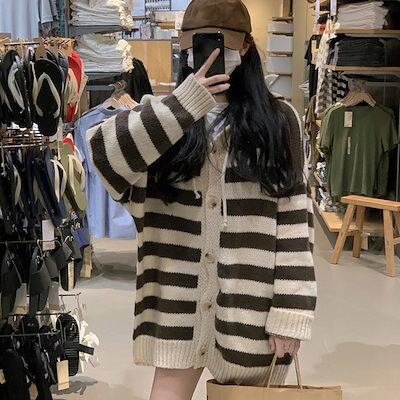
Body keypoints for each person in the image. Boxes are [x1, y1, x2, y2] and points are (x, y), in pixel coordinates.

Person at [87, 0, 317, 399]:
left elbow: (295, 219)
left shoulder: (279, 122)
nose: (209, 52)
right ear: (183, 46)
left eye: (221, 42)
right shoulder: (160, 118)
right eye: (197, 43)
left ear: (246, 45)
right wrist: (183, 106)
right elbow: (102, 154)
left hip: (252, 311)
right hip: (177, 310)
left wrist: (290, 312)